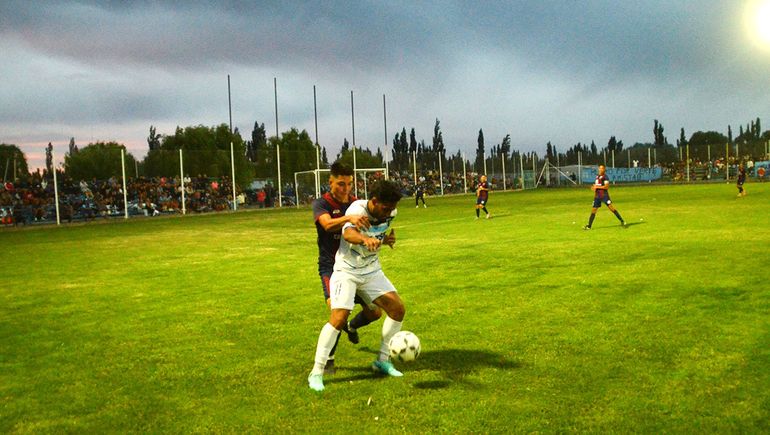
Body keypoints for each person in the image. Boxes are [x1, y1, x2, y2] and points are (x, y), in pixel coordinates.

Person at [308, 180, 405, 392]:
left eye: (392, 209)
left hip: (371, 270)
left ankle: (382, 360)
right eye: (386, 208)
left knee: (397, 309)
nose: (390, 212)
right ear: (374, 201)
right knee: (339, 318)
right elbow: (348, 233)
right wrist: (363, 239)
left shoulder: (391, 212)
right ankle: (316, 372)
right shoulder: (357, 209)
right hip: (347, 271)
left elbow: (378, 231)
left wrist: (385, 240)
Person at [312, 162, 382, 375]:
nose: (345, 189)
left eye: (349, 184)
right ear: (330, 182)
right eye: (341, 184)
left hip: (356, 267)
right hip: (331, 268)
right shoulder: (322, 203)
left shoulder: (356, 203)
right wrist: (348, 218)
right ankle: (328, 360)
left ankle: (352, 327)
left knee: (375, 312)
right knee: (337, 312)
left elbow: (373, 224)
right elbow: (327, 225)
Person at [583, 165, 625, 229]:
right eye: (599, 168)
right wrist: (594, 188)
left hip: (604, 196)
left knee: (611, 208)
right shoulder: (597, 177)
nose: (600, 169)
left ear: (604, 169)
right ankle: (589, 226)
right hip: (597, 196)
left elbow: (606, 187)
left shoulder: (605, 177)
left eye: (602, 168)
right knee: (593, 210)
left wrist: (597, 187)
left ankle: (622, 221)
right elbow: (596, 186)